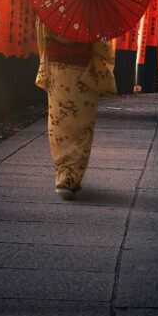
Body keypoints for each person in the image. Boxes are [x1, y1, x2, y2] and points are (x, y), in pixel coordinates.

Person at [34, 18, 117, 200]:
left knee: (59, 124)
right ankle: (71, 177)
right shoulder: (93, 11)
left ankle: (63, 172)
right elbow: (102, 47)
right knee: (82, 125)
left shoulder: (50, 8)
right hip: (84, 72)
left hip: (57, 71)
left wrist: (46, 62)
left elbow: (42, 39)